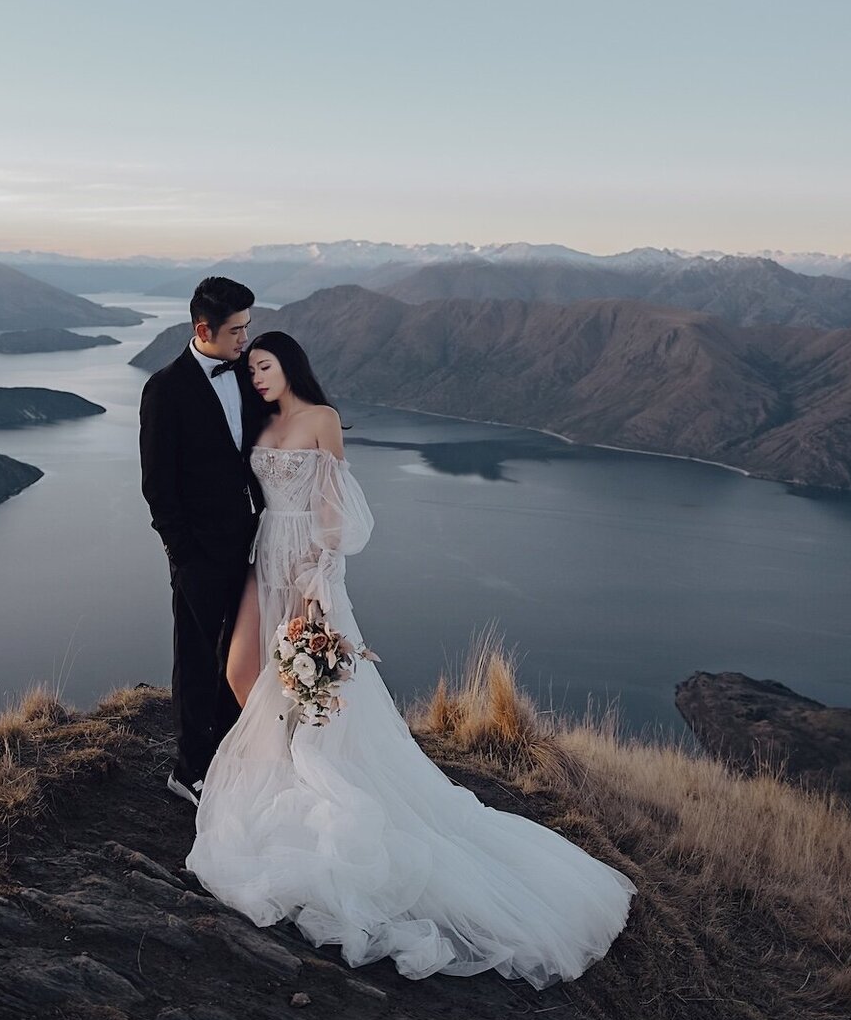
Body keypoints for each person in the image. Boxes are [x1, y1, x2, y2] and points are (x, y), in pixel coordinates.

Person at [183, 330, 637, 984]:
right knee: (239, 669)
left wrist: (319, 577)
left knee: (304, 685)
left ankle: (302, 773)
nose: (256, 376)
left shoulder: (322, 420)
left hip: (309, 564)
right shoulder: (260, 420)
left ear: (289, 367)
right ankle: (279, 768)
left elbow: (337, 508)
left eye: (265, 365)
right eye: (250, 367)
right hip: (266, 555)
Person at [139, 276, 265, 807]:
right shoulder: (165, 389)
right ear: (203, 329)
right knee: (197, 656)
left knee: (240, 655)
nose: (245, 339)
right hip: (198, 551)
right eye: (236, 330)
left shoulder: (249, 373)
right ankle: (190, 769)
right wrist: (182, 553)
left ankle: (230, 754)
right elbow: (157, 485)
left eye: (248, 327)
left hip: (255, 542)